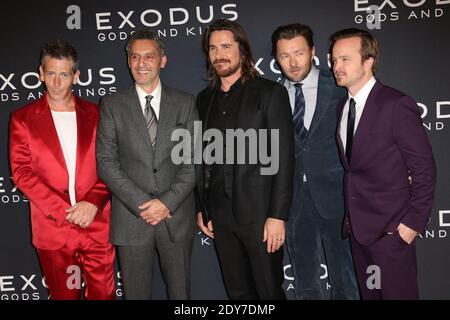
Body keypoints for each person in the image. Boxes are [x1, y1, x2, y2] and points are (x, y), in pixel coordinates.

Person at [329, 28, 436, 299]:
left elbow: (424, 169)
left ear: (368, 62)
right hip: (358, 231)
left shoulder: (396, 104)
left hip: (391, 234)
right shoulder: (343, 107)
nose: (336, 66)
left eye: (345, 59)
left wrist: (410, 226)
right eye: (334, 60)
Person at [196, 19, 294, 299]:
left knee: (269, 291)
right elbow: (201, 161)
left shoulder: (270, 92)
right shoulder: (204, 100)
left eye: (226, 46)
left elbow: (283, 159)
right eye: (213, 48)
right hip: (221, 216)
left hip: (260, 215)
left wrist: (277, 215)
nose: (219, 54)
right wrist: (202, 208)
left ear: (243, 50)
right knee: (237, 293)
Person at [9, 40, 115, 300]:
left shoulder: (97, 114)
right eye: (51, 74)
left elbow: (111, 163)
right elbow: (22, 172)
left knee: (104, 295)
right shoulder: (22, 119)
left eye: (64, 74)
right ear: (41, 74)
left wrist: (92, 203)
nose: (57, 82)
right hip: (54, 229)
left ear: (76, 76)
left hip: (96, 224)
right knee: (64, 296)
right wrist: (63, 212)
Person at [96, 30, 198, 300]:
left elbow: (194, 160)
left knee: (181, 296)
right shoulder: (111, 105)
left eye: (149, 56)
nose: (141, 63)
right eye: (135, 57)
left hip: (175, 217)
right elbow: (106, 163)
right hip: (132, 220)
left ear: (162, 60)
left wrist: (166, 203)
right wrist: (144, 205)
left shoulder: (185, 104)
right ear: (128, 61)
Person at [271, 23, 359, 300]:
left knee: (346, 278)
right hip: (294, 202)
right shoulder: (271, 95)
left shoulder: (338, 85)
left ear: (313, 52)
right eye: (284, 55)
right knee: (305, 281)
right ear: (276, 58)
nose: (293, 62)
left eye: (298, 53)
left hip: (337, 196)